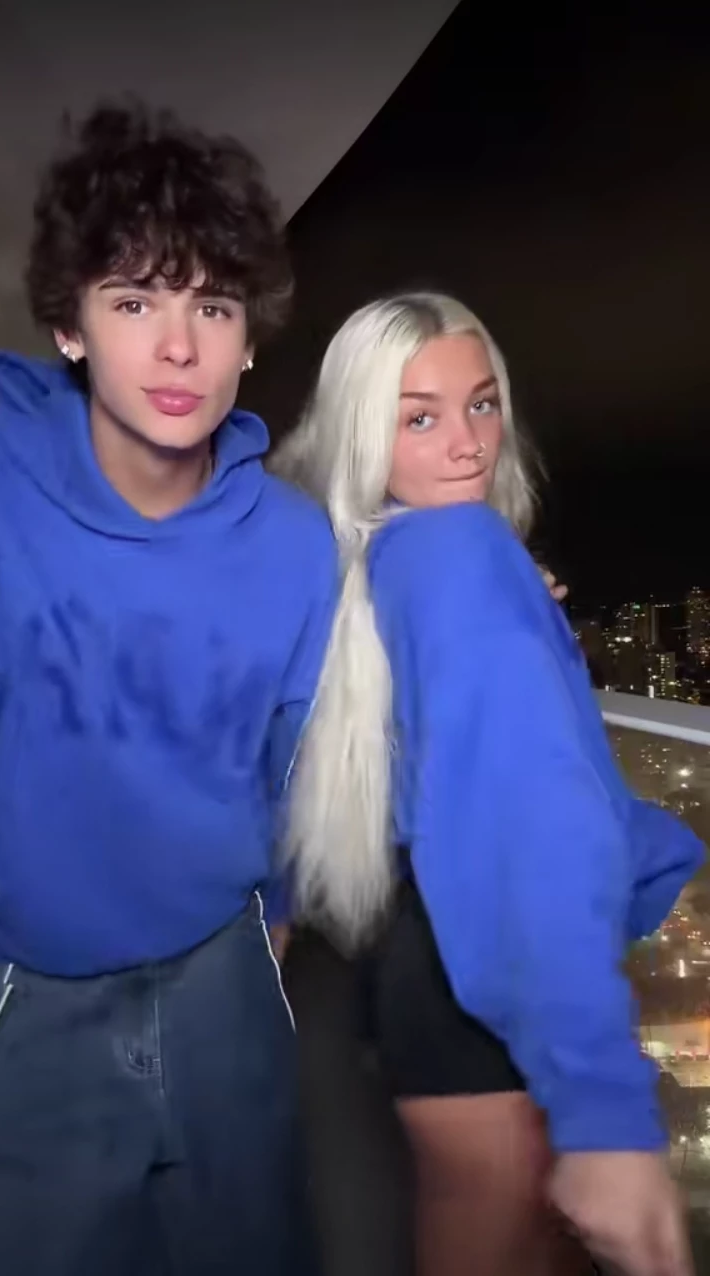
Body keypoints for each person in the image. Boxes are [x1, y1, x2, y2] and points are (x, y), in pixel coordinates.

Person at [271, 292, 702, 1276]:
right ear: (360, 431)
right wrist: (604, 1116)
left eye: (482, 403)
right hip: (473, 964)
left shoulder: (351, 562)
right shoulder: (461, 553)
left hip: (368, 955)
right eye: (418, 417)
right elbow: (533, 820)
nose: (467, 443)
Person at [0, 101, 337, 1276]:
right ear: (71, 325)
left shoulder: (292, 543)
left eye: (214, 307)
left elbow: (299, 763)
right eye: (136, 301)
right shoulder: (1, 492)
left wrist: (270, 930)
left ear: (249, 341)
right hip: (28, 996)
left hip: (222, 983)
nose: (179, 348)